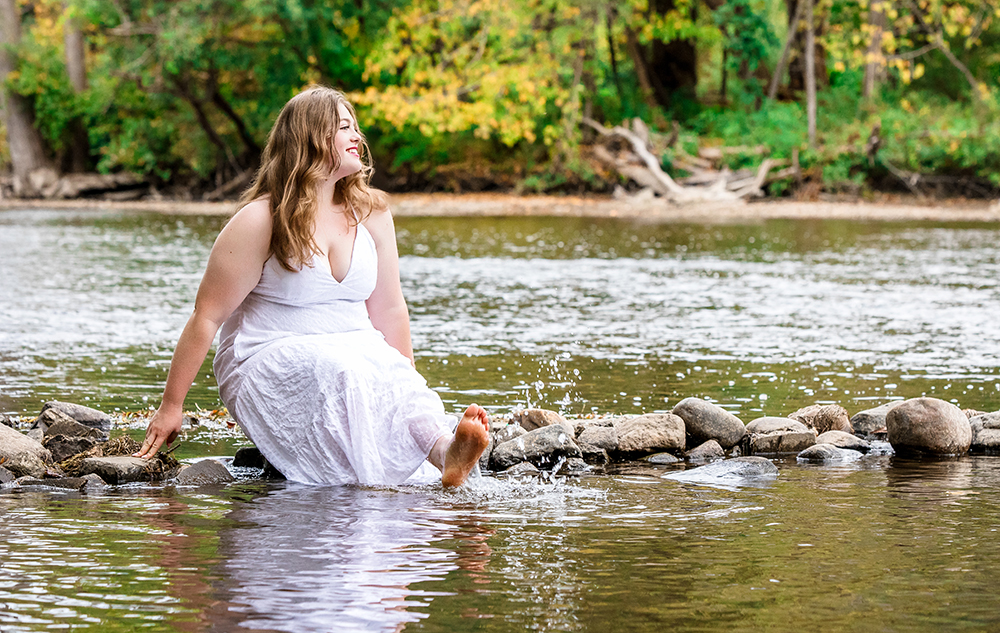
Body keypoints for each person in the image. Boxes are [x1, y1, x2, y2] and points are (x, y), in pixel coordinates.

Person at [135, 86, 490, 487]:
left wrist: (403, 377)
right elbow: (207, 316)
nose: (358, 136)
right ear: (310, 138)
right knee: (344, 371)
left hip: (354, 342)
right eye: (344, 127)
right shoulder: (260, 221)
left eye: (356, 127)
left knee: (393, 371)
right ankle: (358, 485)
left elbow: (390, 308)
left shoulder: (372, 213)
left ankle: (446, 453)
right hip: (265, 350)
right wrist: (171, 406)